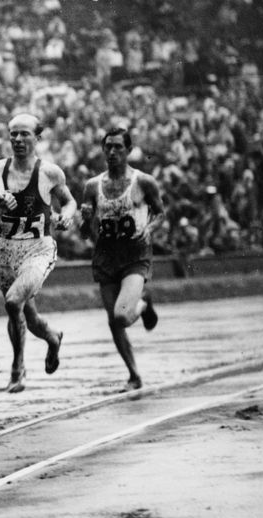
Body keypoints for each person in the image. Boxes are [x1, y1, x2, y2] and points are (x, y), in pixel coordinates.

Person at [0, 113, 78, 393]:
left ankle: (18, 368)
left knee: (13, 301)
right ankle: (53, 338)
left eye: (24, 134)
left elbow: (68, 201)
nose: (17, 139)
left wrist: (66, 216)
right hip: (5, 250)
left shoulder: (49, 172)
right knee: (28, 317)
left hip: (37, 250)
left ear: (37, 138)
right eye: (13, 133)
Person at [79, 127, 164, 392]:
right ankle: (134, 374)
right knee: (113, 321)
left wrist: (149, 229)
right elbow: (85, 229)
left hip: (134, 255)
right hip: (106, 256)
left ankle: (143, 303)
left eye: (118, 147)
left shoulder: (144, 182)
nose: (112, 152)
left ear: (128, 150)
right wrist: (85, 220)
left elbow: (160, 212)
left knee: (121, 315)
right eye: (108, 147)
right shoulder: (92, 186)